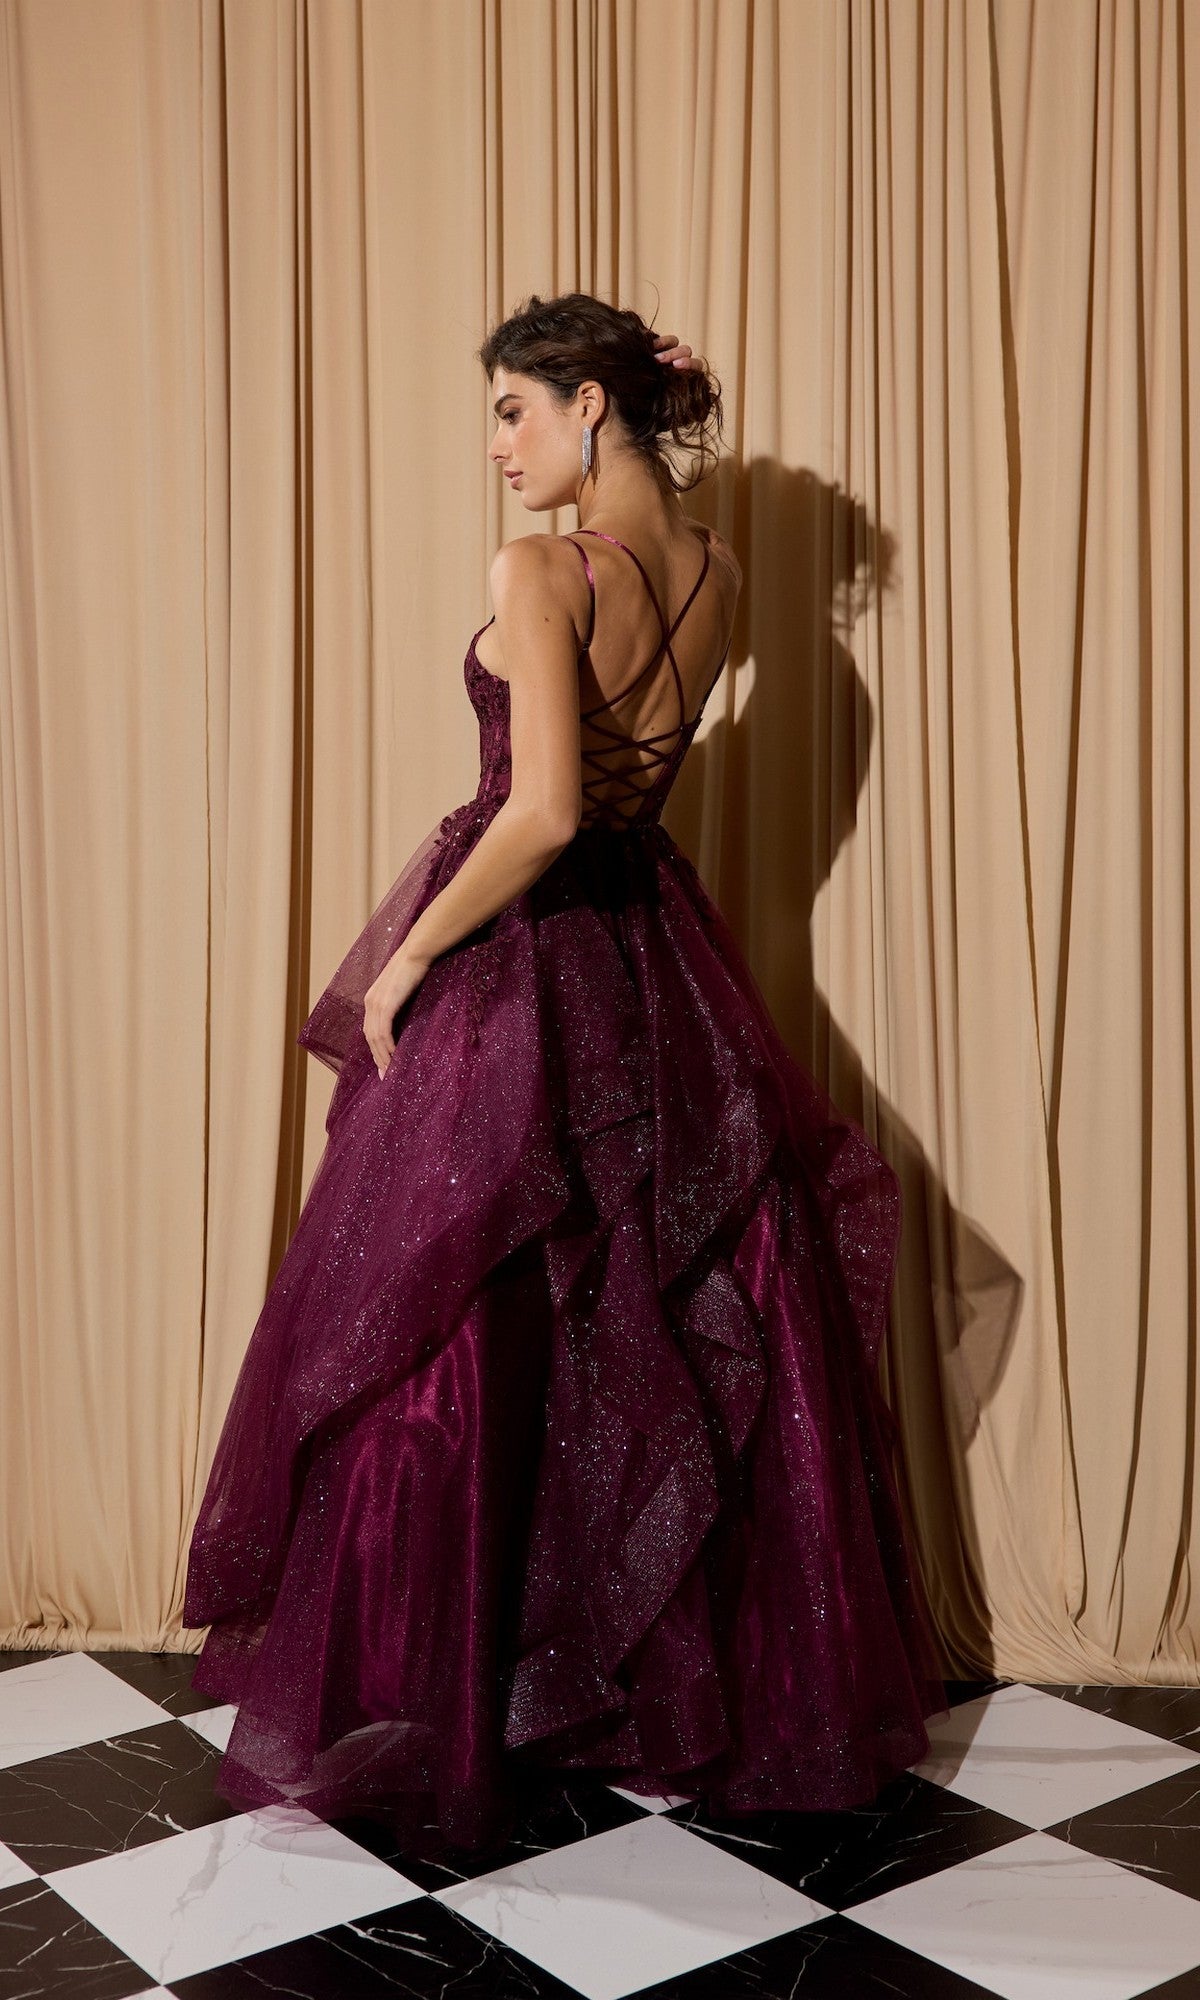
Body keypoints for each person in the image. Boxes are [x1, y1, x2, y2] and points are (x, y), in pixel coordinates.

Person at [183, 291, 948, 1861]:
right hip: (657, 956)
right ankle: (621, 1693)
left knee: (456, 1321)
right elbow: (625, 786)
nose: (497, 447)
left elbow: (537, 813)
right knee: (634, 1322)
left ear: (594, 404)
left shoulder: (544, 569)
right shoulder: (720, 578)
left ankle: (469, 1703)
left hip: (530, 954)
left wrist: (399, 963)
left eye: (513, 412)